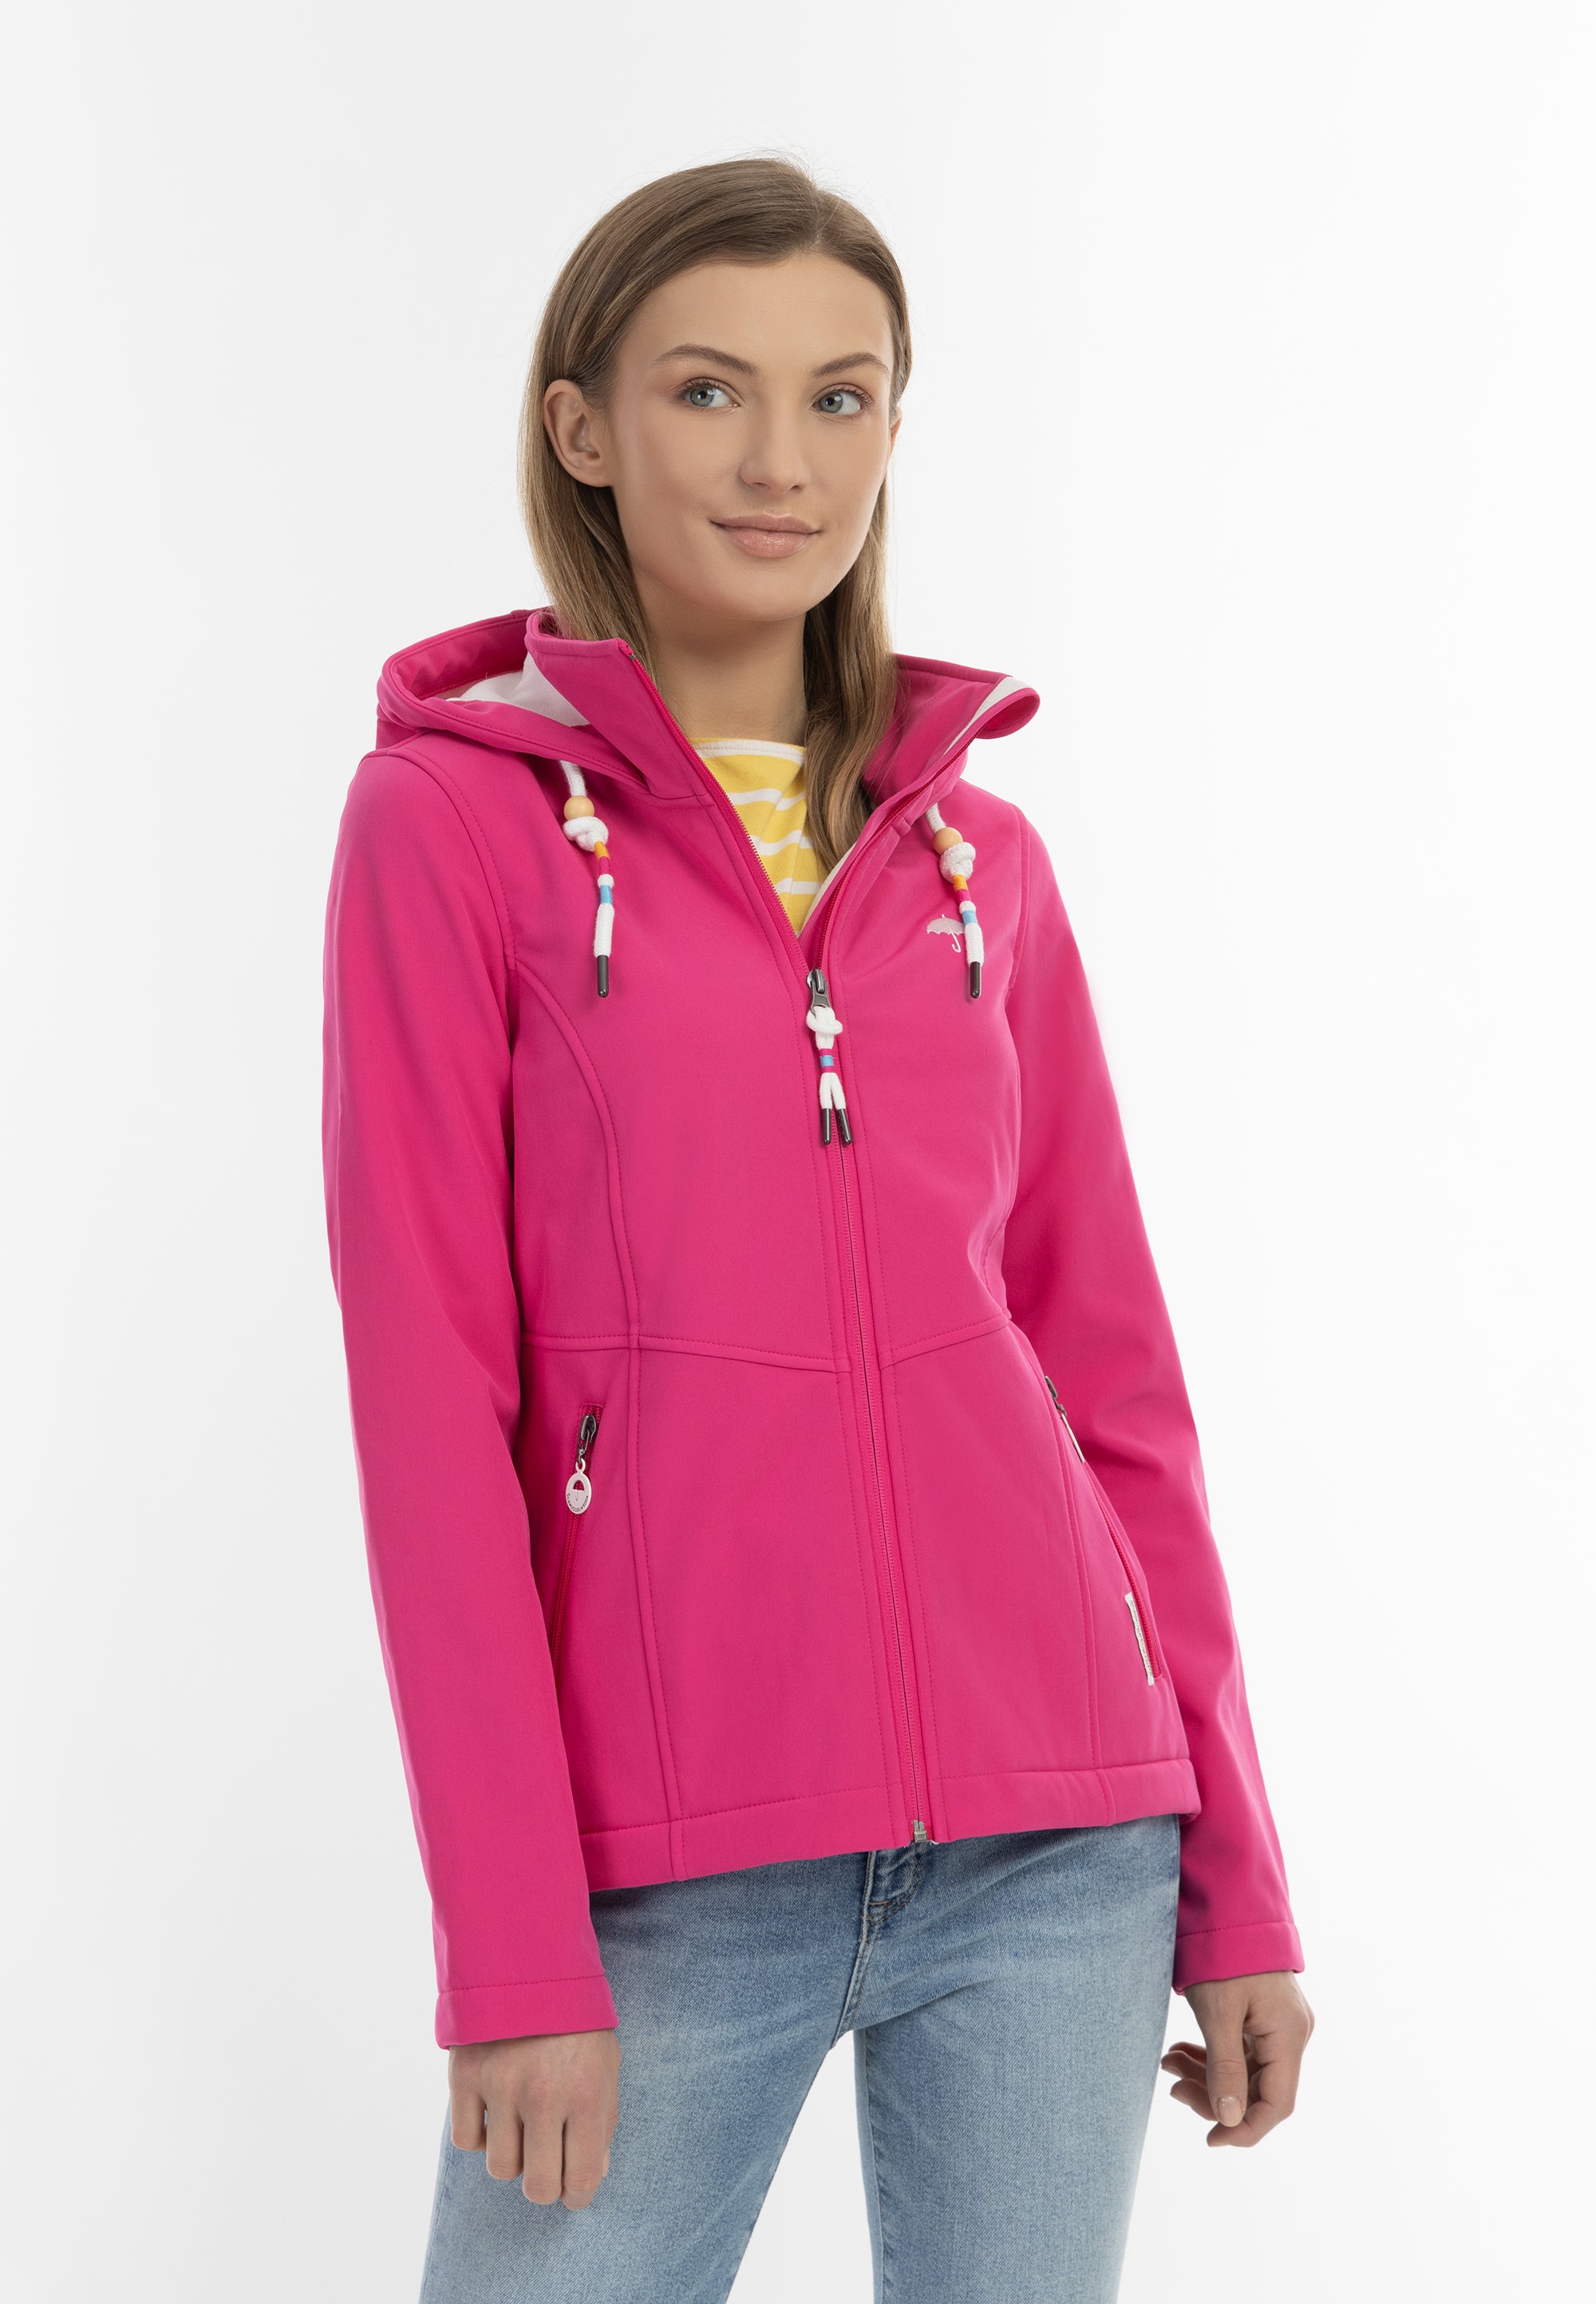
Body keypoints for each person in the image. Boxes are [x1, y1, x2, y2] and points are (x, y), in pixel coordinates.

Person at [321, 156, 1312, 2304]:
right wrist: (512, 1946)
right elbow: (427, 1412)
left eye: (841, 397)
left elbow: (1112, 1380)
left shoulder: (983, 862)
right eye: (710, 390)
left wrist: (1235, 1877)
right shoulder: (453, 825)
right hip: (663, 1871)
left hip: (1062, 1840)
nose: (783, 460)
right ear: (584, 428)